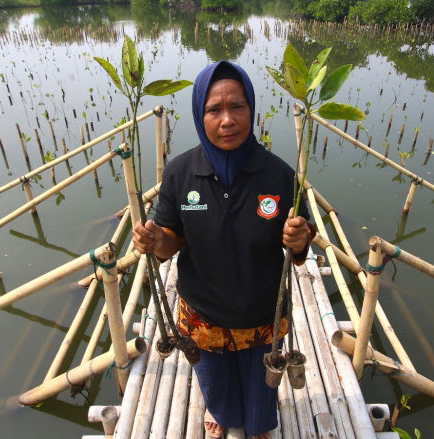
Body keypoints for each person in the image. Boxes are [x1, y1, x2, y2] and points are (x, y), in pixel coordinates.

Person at [133, 60, 313, 439]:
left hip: (263, 312)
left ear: (251, 110)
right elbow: (169, 240)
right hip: (203, 313)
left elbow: (300, 246)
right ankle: (221, 411)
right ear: (200, 115)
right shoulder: (180, 173)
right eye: (214, 109)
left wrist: (300, 239)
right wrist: (153, 240)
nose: (227, 120)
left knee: (262, 387)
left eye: (238, 107)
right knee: (214, 381)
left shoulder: (279, 175)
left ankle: (261, 424)